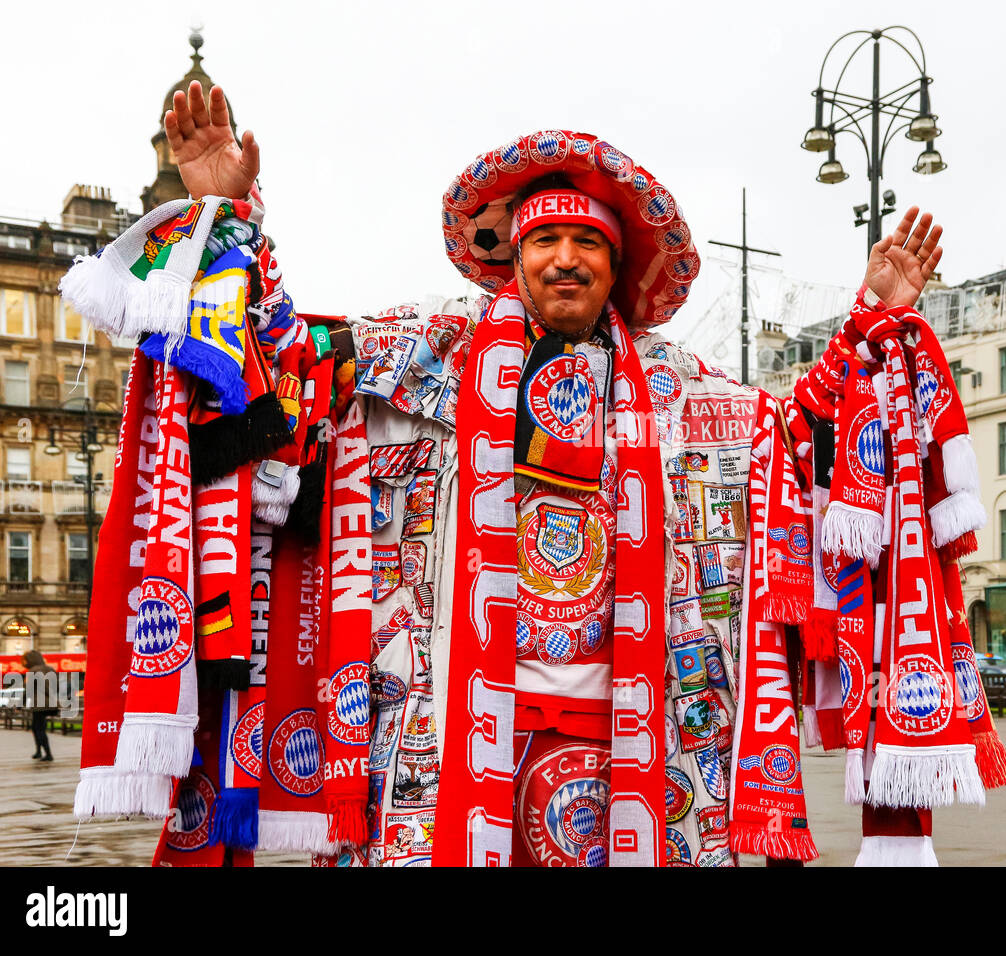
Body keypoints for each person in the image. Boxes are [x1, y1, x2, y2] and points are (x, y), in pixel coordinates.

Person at [147, 80, 960, 867]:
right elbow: (283, 359)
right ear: (516, 255)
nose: (566, 260)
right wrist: (229, 217)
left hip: (636, 749)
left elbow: (797, 440)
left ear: (616, 264)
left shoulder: (676, 384)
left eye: (589, 243)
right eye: (545, 240)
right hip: (445, 749)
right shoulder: (436, 353)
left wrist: (869, 323)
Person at [21, 650, 57, 762]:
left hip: (40, 705)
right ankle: (39, 751)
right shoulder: (50, 669)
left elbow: (29, 690)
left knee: (39, 729)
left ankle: (48, 754)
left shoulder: (33, 671)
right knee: (36, 727)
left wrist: (21, 702)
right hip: (51, 703)